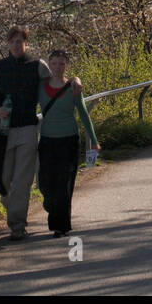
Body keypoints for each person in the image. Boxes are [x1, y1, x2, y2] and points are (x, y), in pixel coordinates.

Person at [0, 25, 79, 240]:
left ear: (26, 43)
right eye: (13, 41)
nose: (17, 45)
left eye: (20, 41)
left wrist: (74, 80)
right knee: (4, 178)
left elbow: (56, 80)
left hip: (28, 127)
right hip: (4, 130)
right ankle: (13, 208)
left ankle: (17, 225)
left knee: (22, 180)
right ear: (8, 43)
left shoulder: (38, 66)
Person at [36, 49, 100, 237]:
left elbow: (83, 113)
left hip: (69, 139)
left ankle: (60, 226)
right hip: (47, 139)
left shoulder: (73, 87)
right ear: (49, 64)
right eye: (54, 63)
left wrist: (94, 140)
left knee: (64, 184)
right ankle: (50, 206)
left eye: (62, 63)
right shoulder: (40, 86)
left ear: (67, 66)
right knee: (46, 183)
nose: (57, 67)